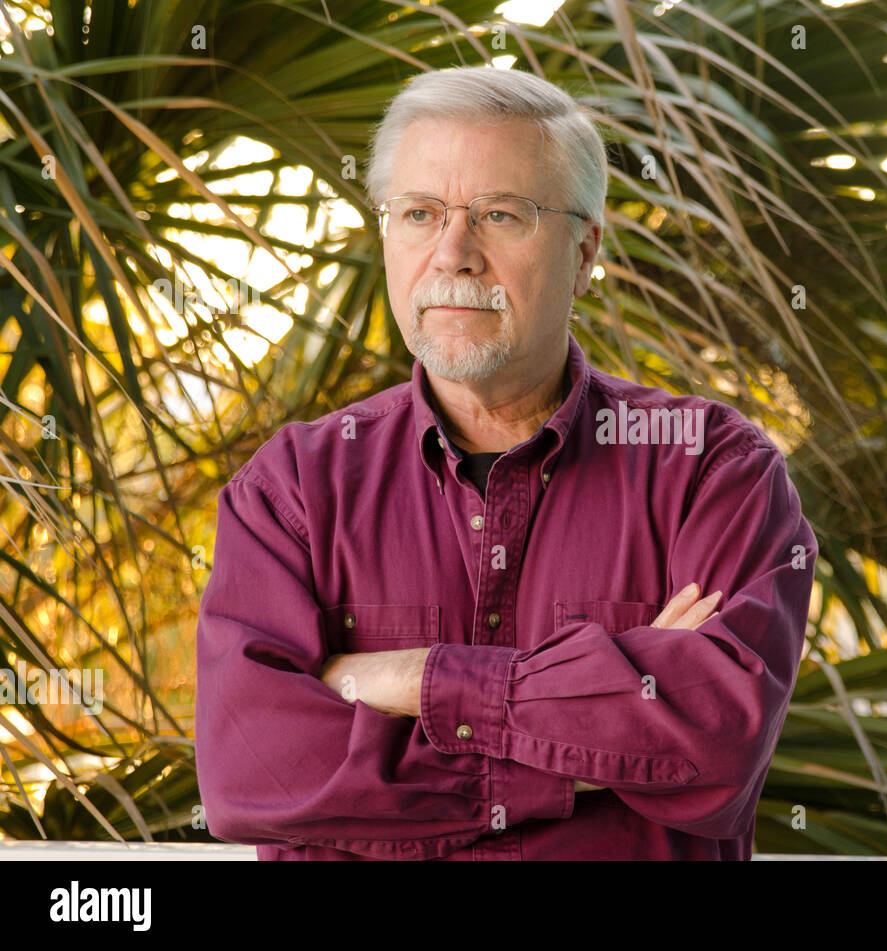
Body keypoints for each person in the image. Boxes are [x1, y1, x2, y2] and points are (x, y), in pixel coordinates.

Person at [194, 65, 816, 860]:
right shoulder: (292, 491)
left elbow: (717, 739)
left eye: (500, 214)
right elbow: (251, 769)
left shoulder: (712, 472)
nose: (454, 254)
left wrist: (408, 680)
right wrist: (596, 739)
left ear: (585, 250)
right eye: (420, 213)